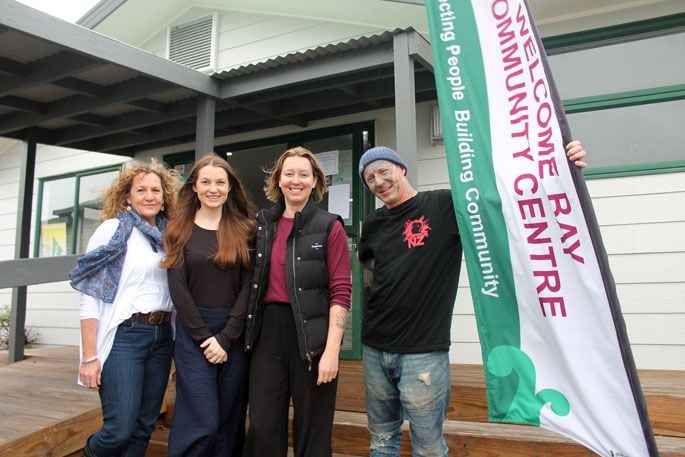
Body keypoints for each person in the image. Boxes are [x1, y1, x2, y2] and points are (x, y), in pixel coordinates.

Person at [357, 141, 588, 456]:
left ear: (401, 169)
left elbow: (507, 194)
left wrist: (559, 165)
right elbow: (370, 270)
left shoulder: (443, 205)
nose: (379, 182)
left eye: (384, 172)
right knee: (382, 440)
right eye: (370, 179)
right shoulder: (373, 223)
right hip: (374, 347)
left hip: (423, 351)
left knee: (428, 446)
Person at [244, 146, 352, 457]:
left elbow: (341, 291)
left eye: (303, 174)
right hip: (268, 333)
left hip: (314, 337)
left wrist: (332, 351)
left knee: (313, 430)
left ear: (315, 180)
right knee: (263, 426)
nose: (296, 180)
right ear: (278, 180)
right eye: (289, 174)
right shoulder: (262, 225)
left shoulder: (330, 226)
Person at [69, 159, 181, 457]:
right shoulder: (113, 230)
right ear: (127, 196)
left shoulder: (171, 236)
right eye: (141, 190)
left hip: (162, 338)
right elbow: (89, 295)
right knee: (119, 430)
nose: (149, 196)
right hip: (125, 337)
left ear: (164, 195)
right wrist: (89, 357)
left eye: (155, 190)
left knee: (144, 426)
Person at [160, 154, 255, 456]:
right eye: (206, 182)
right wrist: (204, 338)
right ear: (195, 187)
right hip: (193, 335)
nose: (213, 188)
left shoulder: (245, 229)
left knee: (229, 418)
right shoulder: (178, 229)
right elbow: (179, 290)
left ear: (230, 188)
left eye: (220, 182)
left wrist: (226, 338)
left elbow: (248, 289)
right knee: (203, 419)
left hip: (233, 333)